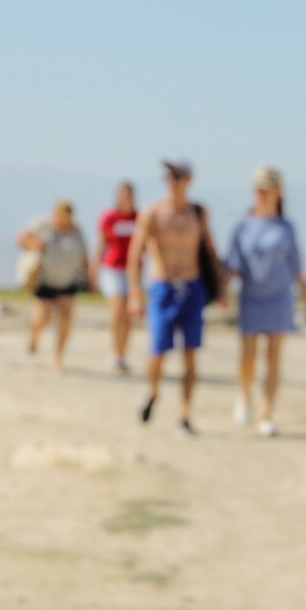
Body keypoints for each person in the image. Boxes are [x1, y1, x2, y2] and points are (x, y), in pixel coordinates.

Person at [128, 158, 221, 438]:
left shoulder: (199, 213)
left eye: (178, 176)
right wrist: (135, 293)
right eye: (169, 177)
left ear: (189, 180)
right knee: (157, 352)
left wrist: (220, 287)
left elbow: (211, 251)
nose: (173, 182)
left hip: (192, 288)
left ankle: (184, 414)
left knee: (190, 354)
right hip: (163, 288)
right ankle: (153, 391)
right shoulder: (152, 213)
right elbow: (135, 255)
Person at [222, 165, 306, 436]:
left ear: (278, 193)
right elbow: (232, 263)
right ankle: (244, 395)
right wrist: (222, 293)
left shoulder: (286, 227)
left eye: (266, 190)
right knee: (248, 355)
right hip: (251, 296)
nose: (260, 195)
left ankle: (266, 414)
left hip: (279, 297)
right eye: (257, 190)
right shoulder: (241, 224)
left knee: (273, 356)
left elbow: (297, 266)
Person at [18, 199, 93, 372]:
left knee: (66, 319)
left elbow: (84, 256)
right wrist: (34, 244)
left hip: (68, 280)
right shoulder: (43, 225)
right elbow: (21, 238)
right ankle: (34, 334)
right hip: (45, 279)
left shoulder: (76, 231)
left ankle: (57, 357)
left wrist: (90, 279)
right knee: (42, 318)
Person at [94, 181, 140, 372]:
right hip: (112, 267)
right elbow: (101, 244)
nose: (125, 198)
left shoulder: (140, 217)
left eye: (128, 194)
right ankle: (113, 350)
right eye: (122, 194)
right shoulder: (109, 217)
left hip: (133, 270)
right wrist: (93, 270)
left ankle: (121, 354)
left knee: (128, 314)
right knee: (118, 309)